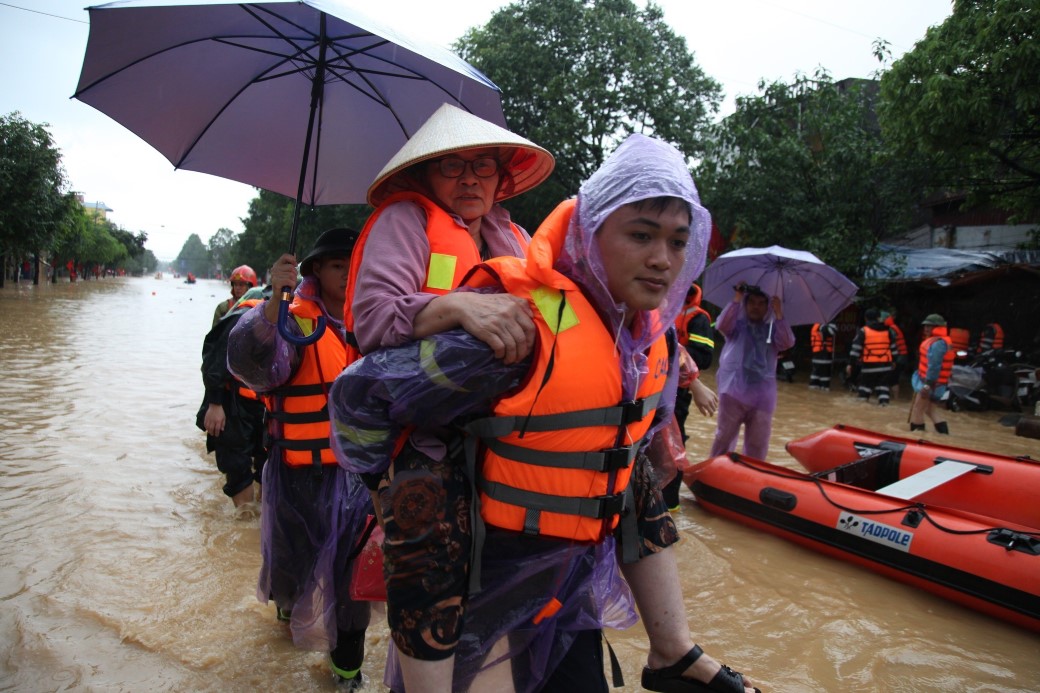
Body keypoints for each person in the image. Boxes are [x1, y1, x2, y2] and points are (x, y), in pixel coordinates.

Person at [332, 133, 759, 693]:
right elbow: (359, 387)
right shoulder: (516, 317)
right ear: (591, 234)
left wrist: (655, 426)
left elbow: (614, 450)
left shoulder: (631, 332)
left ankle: (672, 648)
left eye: (678, 242)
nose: (662, 259)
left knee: (624, 461)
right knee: (423, 495)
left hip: (562, 569)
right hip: (475, 547)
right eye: (640, 235)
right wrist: (388, 478)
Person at [227, 228, 372, 687]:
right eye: (336, 265)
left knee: (352, 583)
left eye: (356, 262)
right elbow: (252, 363)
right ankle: (286, 634)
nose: (348, 272)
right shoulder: (293, 320)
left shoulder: (377, 320)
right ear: (313, 271)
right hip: (298, 476)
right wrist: (274, 300)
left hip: (359, 478)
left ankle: (346, 672)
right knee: (292, 573)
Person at [196, 284, 269, 510]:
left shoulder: (301, 316)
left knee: (268, 462)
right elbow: (214, 361)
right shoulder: (244, 316)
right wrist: (214, 403)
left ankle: (262, 518)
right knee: (237, 465)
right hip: (234, 402)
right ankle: (245, 517)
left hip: (265, 404)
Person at [708, 283, 795, 460]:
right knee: (723, 438)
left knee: (758, 444)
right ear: (745, 305)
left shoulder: (773, 330)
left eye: (762, 303)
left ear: (767, 306)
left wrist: (779, 314)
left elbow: (787, 343)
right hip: (733, 392)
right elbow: (721, 325)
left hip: (762, 396)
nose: (756, 306)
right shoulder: (735, 327)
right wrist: (738, 297)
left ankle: (752, 477)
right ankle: (715, 470)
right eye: (752, 302)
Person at [664, 282, 718, 510]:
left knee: (673, 443)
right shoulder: (658, 309)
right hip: (660, 384)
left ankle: (670, 506)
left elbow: (704, 356)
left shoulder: (698, 319)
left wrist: (689, 375)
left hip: (679, 391)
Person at [910, 313, 953, 434]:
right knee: (930, 410)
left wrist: (927, 385)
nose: (926, 328)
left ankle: (916, 439)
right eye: (925, 326)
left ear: (937, 327)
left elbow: (934, 366)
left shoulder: (938, 343)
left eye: (929, 326)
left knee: (918, 409)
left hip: (932, 384)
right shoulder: (942, 341)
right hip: (939, 384)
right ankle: (944, 437)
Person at [846, 308, 899, 406]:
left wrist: (850, 364)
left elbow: (855, 350)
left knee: (865, 388)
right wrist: (894, 361)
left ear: (866, 319)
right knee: (883, 387)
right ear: (879, 318)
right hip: (885, 366)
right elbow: (894, 349)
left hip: (869, 366)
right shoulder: (888, 331)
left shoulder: (863, 331)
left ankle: (862, 410)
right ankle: (884, 407)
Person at [882, 309, 909, 400]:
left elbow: (890, 345)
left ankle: (896, 399)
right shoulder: (893, 327)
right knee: (892, 378)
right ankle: (893, 399)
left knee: (893, 379)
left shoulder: (891, 329)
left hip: (898, 358)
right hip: (900, 357)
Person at [808, 322, 837, 391]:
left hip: (817, 354)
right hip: (824, 355)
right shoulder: (823, 326)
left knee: (815, 374)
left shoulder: (815, 325)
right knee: (824, 377)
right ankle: (823, 388)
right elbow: (831, 332)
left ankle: (815, 388)